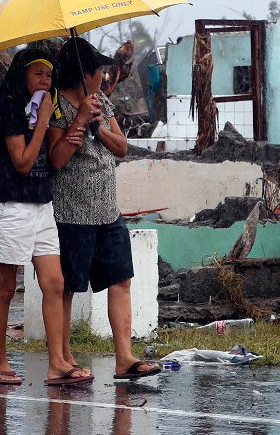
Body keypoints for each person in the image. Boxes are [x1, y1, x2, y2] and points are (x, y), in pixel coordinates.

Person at [48, 37, 160, 380]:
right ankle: (64, 359)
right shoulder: (56, 109)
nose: (102, 76)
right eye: (98, 70)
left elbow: (122, 147)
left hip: (107, 210)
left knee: (120, 279)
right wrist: (79, 122)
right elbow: (55, 159)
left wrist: (97, 128)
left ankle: (124, 358)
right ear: (85, 73)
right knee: (67, 287)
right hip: (72, 213)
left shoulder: (101, 102)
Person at [0, 48, 93, 386]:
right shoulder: (8, 109)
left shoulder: (42, 108)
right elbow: (23, 163)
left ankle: (57, 363)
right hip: (11, 207)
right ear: (22, 76)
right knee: (4, 287)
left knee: (55, 283)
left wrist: (66, 128)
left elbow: (48, 158)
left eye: (49, 75)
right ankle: (1, 363)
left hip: (41, 204)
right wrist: (44, 121)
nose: (45, 81)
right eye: (38, 74)